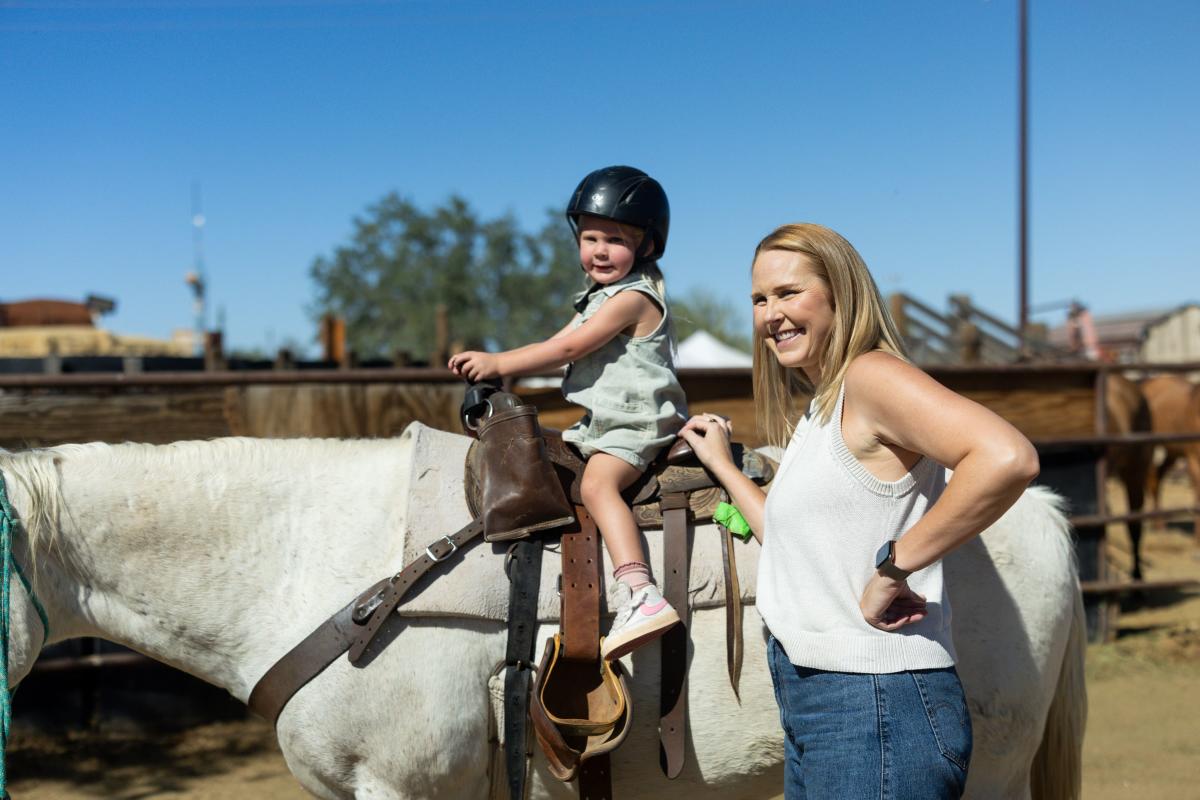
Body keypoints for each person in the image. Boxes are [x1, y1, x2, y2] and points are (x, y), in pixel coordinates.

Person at [678, 223, 1039, 798]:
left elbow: (1006, 457)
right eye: (759, 299)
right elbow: (789, 539)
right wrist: (722, 466)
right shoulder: (824, 408)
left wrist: (895, 564)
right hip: (819, 700)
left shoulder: (871, 377)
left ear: (840, 292)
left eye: (789, 292)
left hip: (875, 703)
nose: (772, 314)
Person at [448, 166, 687, 661]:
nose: (600, 250)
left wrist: (498, 361)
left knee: (598, 485)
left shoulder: (632, 299)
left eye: (616, 240)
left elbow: (571, 347)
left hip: (635, 423)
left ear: (645, 247)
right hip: (604, 422)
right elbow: (557, 343)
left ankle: (641, 592)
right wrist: (504, 373)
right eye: (590, 237)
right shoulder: (598, 298)